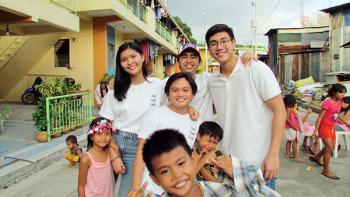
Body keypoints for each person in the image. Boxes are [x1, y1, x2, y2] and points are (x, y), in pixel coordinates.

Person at [205, 24, 286, 190]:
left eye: (224, 41)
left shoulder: (256, 69)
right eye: (213, 43)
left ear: (234, 42)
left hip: (258, 164)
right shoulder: (212, 80)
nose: (219, 47)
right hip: (227, 165)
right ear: (209, 49)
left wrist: (274, 153)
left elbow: (280, 110)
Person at [128, 129, 281, 197]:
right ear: (155, 179)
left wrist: (239, 170)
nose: (177, 175)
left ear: (192, 159)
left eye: (181, 163)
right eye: (164, 171)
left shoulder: (224, 191)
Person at [99, 42, 165, 197]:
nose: (130, 62)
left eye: (133, 56)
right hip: (114, 142)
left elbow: (179, 96)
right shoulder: (114, 92)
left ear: (142, 57)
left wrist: (190, 109)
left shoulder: (158, 85)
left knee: (130, 192)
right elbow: (104, 124)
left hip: (139, 146)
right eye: (124, 59)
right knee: (101, 190)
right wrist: (113, 154)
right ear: (120, 64)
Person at [132, 72, 202, 196]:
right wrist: (136, 188)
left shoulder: (197, 121)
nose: (180, 94)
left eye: (185, 90)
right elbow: (140, 151)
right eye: (175, 90)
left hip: (179, 187)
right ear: (168, 94)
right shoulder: (155, 115)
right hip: (151, 189)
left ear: (193, 94)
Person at [175, 43, 256, 121]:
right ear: (178, 61)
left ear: (200, 62)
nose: (189, 60)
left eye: (193, 57)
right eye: (184, 56)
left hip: (204, 133)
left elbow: (229, 71)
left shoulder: (208, 79)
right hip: (177, 133)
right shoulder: (167, 84)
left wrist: (246, 55)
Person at [309, 84, 350, 180]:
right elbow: (320, 117)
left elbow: (337, 115)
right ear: (334, 92)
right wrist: (315, 130)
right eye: (340, 92)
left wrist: (346, 124)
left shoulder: (340, 102)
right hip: (324, 126)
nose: (343, 94)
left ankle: (317, 157)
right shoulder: (327, 103)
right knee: (329, 148)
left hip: (332, 126)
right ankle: (326, 170)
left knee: (330, 147)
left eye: (344, 92)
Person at [78, 117, 122, 197]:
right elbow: (81, 186)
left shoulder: (110, 153)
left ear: (111, 136)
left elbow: (118, 169)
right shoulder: (86, 159)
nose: (103, 137)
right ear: (91, 136)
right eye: (99, 133)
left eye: (107, 133)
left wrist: (116, 148)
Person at [283, 94, 302, 162]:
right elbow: (287, 118)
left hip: (288, 127)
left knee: (289, 140)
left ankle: (287, 155)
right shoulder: (288, 108)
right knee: (295, 141)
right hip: (291, 127)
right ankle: (296, 156)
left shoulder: (286, 107)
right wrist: (293, 126)